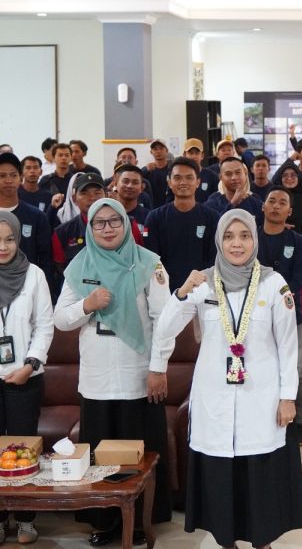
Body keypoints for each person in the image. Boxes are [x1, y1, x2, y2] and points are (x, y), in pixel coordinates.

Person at [155, 210, 302, 549]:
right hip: (215, 398)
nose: (236, 243)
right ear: (218, 241)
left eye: (244, 236)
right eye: (228, 236)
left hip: (261, 398)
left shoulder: (274, 284)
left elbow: (288, 347)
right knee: (220, 473)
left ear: (255, 240)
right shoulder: (203, 282)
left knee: (260, 472)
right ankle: (227, 542)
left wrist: (287, 397)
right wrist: (181, 293)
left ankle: (262, 542)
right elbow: (164, 330)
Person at [53, 198, 174, 545]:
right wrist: (86, 305)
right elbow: (61, 319)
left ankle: (141, 522)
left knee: (139, 455)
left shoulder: (149, 264)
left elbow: (164, 321)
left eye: (114, 221)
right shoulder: (79, 265)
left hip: (139, 377)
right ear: (90, 228)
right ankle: (105, 522)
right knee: (100, 457)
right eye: (99, 223)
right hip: (97, 379)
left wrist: (158, 369)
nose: (107, 228)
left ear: (126, 223)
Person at [0, 211, 54, 544]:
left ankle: (25, 520)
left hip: (25, 377)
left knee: (23, 449)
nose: (3, 246)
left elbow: (44, 326)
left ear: (18, 239)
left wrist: (29, 365)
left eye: (9, 239)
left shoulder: (34, 275)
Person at [257, 187, 302, 446]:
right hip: (254, 315)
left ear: (289, 211)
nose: (276, 206)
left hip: (291, 315)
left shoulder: (299, 243)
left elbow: (297, 282)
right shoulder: (251, 238)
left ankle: (299, 423)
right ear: (263, 206)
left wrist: (274, 300)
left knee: (296, 369)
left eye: (282, 203)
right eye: (272, 201)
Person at [143, 157, 220, 292]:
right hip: (165, 292)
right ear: (169, 182)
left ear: (198, 182)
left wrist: (202, 288)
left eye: (189, 178)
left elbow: (213, 260)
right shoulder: (155, 218)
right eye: (177, 178)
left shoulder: (212, 218)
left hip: (201, 291)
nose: (183, 182)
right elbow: (152, 261)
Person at [0, 155, 53, 288]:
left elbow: (46, 259)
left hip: (27, 288)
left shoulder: (37, 216)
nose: (8, 180)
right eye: (2, 176)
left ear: (21, 178)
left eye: (13, 175)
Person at [51, 173, 106, 275]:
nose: (92, 198)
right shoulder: (62, 233)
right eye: (84, 193)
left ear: (106, 196)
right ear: (74, 199)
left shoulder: (124, 224)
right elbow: (60, 266)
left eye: (97, 193)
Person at [204, 156, 265, 224]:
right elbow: (213, 225)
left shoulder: (256, 202)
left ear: (245, 173)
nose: (234, 177)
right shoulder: (213, 202)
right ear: (220, 177)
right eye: (228, 174)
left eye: (238, 172)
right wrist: (232, 204)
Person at [112, 164, 150, 233]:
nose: (130, 186)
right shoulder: (105, 215)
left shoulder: (148, 217)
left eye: (135, 182)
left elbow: (146, 236)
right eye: (125, 181)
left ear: (142, 188)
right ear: (115, 184)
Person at [142, 139, 171, 208]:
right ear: (151, 152)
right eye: (155, 149)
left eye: (161, 148)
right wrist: (145, 170)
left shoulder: (172, 169)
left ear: (167, 151)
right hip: (151, 208)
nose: (158, 151)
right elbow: (136, 178)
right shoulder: (147, 170)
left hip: (169, 207)